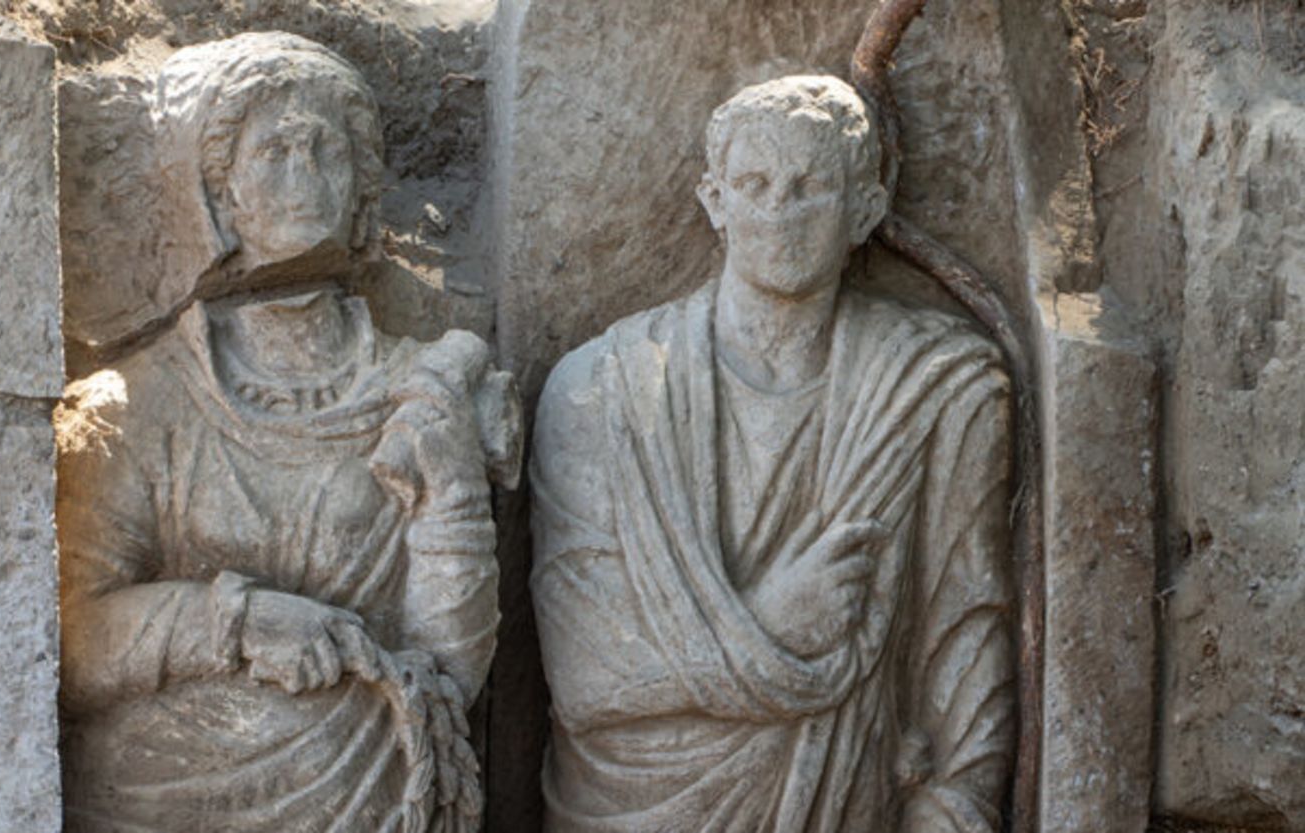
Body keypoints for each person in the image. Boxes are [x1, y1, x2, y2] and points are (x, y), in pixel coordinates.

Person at [55, 33, 517, 833]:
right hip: (165, 790)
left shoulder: (423, 388)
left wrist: (455, 492)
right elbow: (70, 639)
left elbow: (449, 670)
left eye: (324, 149)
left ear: (363, 183)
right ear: (219, 190)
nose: (302, 175)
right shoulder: (144, 401)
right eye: (272, 150)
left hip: (370, 779)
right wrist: (235, 621)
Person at [530, 75, 1015, 832]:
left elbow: (966, 621)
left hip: (849, 800)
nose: (778, 213)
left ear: (866, 209)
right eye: (753, 185)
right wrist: (773, 624)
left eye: (810, 185)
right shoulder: (601, 391)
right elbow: (589, 679)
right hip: (635, 806)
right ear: (714, 202)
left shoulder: (936, 384)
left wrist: (957, 800)